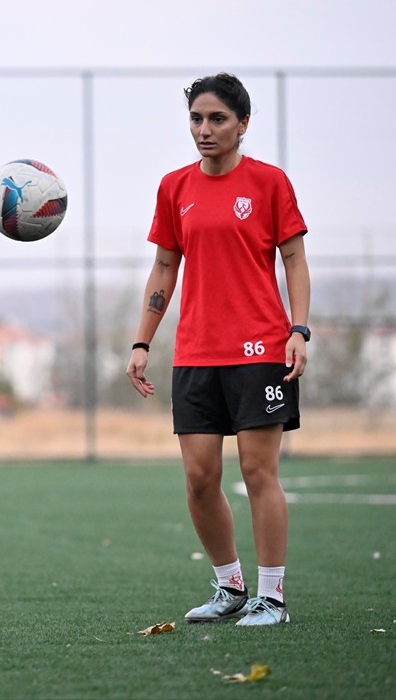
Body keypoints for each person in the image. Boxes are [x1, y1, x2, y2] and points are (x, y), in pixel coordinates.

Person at [126, 73, 310, 627]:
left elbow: (295, 261)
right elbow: (164, 267)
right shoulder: (174, 187)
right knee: (200, 477)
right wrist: (142, 341)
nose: (204, 130)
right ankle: (230, 586)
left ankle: (271, 598)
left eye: (217, 120)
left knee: (258, 472)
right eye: (196, 120)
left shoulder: (270, 183)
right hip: (196, 352)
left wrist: (298, 329)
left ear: (242, 125)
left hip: (259, 349)